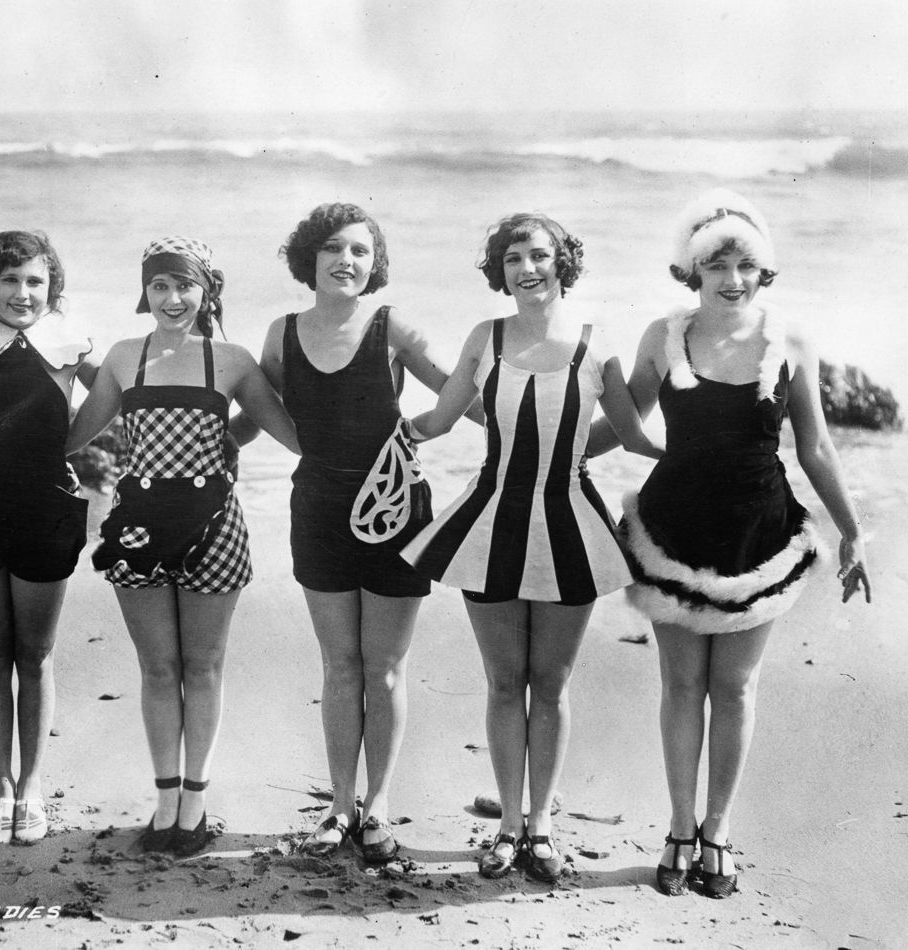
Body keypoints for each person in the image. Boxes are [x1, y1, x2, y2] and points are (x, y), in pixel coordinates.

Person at [600, 189, 871, 897]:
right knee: (681, 684)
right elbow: (626, 425)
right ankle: (680, 827)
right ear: (692, 270)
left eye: (745, 264)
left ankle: (718, 829)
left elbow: (813, 446)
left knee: (736, 685)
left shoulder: (793, 341)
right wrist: (552, 443)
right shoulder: (664, 334)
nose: (732, 279)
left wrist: (852, 531)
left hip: (760, 531)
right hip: (673, 528)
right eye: (715, 264)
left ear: (763, 270)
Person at [399, 212, 662, 882]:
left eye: (540, 256)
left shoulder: (597, 347)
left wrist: (722, 453)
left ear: (562, 263)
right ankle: (508, 827)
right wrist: (370, 428)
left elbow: (631, 437)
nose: (527, 269)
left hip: (573, 526)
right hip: (489, 524)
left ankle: (540, 826)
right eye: (513, 258)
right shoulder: (484, 338)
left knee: (550, 683)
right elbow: (435, 419)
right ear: (501, 271)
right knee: (502, 680)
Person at [241, 202, 467, 864]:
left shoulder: (393, 326)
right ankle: (341, 805)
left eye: (362, 252)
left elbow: (462, 393)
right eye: (335, 248)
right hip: (317, 510)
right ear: (308, 257)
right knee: (341, 665)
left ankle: (381, 805)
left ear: (376, 265)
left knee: (387, 667)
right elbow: (263, 409)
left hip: (398, 512)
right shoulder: (280, 335)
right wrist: (295, 450)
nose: (348, 261)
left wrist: (431, 430)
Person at [67, 236, 299, 857]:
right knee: (158, 669)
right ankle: (165, 798)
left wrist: (346, 384)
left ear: (206, 290)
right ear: (144, 292)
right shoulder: (122, 356)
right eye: (160, 286)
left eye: (184, 285)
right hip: (137, 523)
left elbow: (290, 434)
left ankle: (194, 804)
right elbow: (72, 436)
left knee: (203, 667)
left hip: (215, 524)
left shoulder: (230, 359)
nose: (173, 298)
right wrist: (48, 363)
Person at [0, 230, 97, 845]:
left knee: (33, 655)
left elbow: (115, 398)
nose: (22, 292)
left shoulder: (70, 342)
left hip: (46, 507)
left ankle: (31, 785)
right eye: (9, 280)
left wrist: (68, 446)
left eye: (35, 281)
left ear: (51, 286)